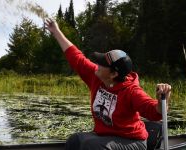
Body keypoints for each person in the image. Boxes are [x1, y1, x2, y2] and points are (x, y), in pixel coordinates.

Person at [45, 19, 171, 150]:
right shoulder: (97, 76)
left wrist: (163, 99)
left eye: (102, 64)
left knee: (92, 146)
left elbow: (155, 112)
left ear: (113, 74)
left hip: (132, 141)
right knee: (74, 141)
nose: (97, 65)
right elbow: (76, 57)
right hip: (105, 136)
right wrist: (56, 31)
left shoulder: (131, 91)